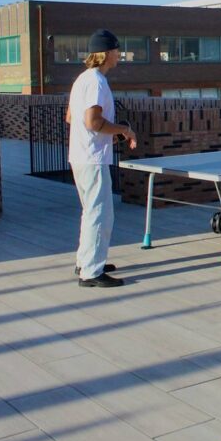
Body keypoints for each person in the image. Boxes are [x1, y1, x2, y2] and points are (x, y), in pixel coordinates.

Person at [66, 29, 137, 288]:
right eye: (117, 51)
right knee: (101, 214)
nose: (120, 55)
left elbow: (71, 118)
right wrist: (123, 130)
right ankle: (92, 273)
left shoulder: (82, 80)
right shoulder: (96, 82)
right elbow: (93, 121)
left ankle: (86, 261)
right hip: (93, 159)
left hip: (80, 156)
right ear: (106, 53)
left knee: (90, 212)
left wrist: (109, 135)